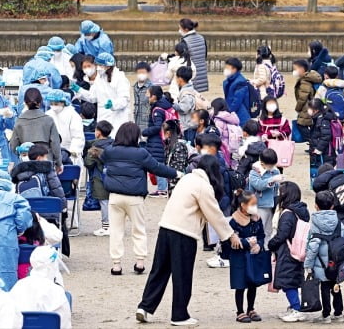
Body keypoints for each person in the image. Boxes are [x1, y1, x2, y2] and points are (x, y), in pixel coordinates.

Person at [136, 155, 241, 327]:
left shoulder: (187, 178)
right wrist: (230, 235)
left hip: (165, 227)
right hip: (184, 233)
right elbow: (214, 214)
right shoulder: (203, 186)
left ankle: (145, 307)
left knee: (159, 271)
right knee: (182, 275)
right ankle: (179, 315)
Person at [101, 122, 179, 275]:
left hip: (115, 196)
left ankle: (116, 264)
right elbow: (157, 167)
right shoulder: (141, 153)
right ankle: (140, 262)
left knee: (116, 231)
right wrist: (176, 173)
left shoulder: (109, 151)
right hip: (134, 197)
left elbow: (103, 159)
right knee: (138, 229)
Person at [10, 144, 69, 255]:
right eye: (45, 156)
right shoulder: (48, 170)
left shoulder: (18, 173)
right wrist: (64, 206)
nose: (47, 159)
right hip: (48, 212)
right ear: (39, 158)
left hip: (28, 213)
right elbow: (57, 190)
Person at [304, 190, 344, 323]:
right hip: (336, 261)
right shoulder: (337, 221)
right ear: (332, 206)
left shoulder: (315, 223)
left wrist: (308, 265)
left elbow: (313, 246)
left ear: (316, 206)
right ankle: (338, 313)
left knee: (324, 287)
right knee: (336, 286)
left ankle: (326, 315)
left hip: (321, 263)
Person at [267, 181, 310, 323]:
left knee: (287, 282)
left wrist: (271, 245)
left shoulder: (288, 214)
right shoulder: (302, 211)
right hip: (299, 249)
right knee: (294, 279)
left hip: (287, 251)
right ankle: (295, 306)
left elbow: (282, 235)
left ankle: (297, 309)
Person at [10, 246, 72, 329]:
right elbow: (64, 324)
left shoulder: (18, 286)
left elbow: (9, 319)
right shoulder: (56, 291)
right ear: (53, 264)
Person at [71, 52, 131, 137]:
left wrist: (113, 104)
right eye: (97, 65)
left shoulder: (120, 78)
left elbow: (124, 99)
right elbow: (92, 96)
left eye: (101, 65)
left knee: (116, 138)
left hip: (118, 117)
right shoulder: (99, 78)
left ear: (108, 66)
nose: (98, 68)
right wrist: (79, 90)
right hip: (103, 117)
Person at [228, 190, 265, 323]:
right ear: (243, 205)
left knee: (252, 283)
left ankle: (251, 308)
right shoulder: (234, 221)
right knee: (240, 284)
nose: (255, 207)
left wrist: (259, 245)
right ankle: (240, 311)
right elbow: (231, 241)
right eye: (252, 204)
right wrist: (246, 242)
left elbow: (261, 235)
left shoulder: (256, 218)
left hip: (253, 256)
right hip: (238, 257)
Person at [10, 88, 63, 173]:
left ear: (25, 102)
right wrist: (59, 163)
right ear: (40, 102)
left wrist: (23, 153)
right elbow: (55, 144)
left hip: (26, 163)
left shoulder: (19, 121)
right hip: (46, 161)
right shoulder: (48, 120)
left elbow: (13, 146)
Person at [143, 86, 174, 198]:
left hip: (157, 140)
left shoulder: (157, 110)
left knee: (158, 164)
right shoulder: (163, 105)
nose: (146, 96)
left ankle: (162, 189)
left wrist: (145, 132)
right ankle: (162, 188)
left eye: (148, 94)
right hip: (160, 139)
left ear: (154, 96)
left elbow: (157, 126)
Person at [84, 120, 114, 237]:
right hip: (113, 177)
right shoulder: (114, 144)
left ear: (98, 133)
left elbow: (89, 163)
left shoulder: (94, 147)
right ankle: (113, 225)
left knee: (104, 202)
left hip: (100, 178)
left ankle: (106, 226)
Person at [248, 148, 282, 247]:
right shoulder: (254, 172)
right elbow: (259, 185)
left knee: (269, 229)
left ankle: (267, 249)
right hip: (259, 205)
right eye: (270, 165)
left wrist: (279, 182)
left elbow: (276, 187)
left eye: (273, 165)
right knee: (259, 230)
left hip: (272, 204)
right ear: (262, 163)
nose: (272, 167)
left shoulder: (274, 171)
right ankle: (257, 249)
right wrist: (272, 180)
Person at [45, 89, 84, 164]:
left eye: (56, 104)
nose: (53, 106)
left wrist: (72, 152)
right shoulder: (48, 114)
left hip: (70, 152)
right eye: (51, 103)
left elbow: (77, 137)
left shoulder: (72, 115)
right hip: (52, 153)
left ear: (64, 102)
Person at [293, 59, 323, 141]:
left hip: (306, 107)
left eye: (295, 69)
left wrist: (297, 108)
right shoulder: (309, 77)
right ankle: (313, 143)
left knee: (301, 125)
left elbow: (303, 97)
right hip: (312, 105)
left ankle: (312, 142)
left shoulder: (305, 81)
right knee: (312, 125)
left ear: (302, 69)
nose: (294, 71)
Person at [179, 18, 208, 92]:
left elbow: (182, 60)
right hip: (201, 72)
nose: (179, 30)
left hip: (190, 73)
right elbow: (204, 55)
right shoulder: (201, 38)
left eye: (180, 28)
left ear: (185, 29)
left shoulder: (185, 41)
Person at [211, 98, 241, 167]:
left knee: (224, 164)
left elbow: (218, 134)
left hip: (223, 147)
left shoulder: (219, 120)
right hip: (232, 145)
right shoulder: (231, 117)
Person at [223, 58, 251, 127]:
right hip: (232, 113)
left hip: (240, 115)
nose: (225, 69)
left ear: (234, 69)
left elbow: (237, 102)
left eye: (227, 67)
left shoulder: (240, 82)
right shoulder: (228, 81)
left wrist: (228, 113)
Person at [309, 98, 337, 168]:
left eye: (310, 108)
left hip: (326, 151)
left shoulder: (323, 119)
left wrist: (319, 148)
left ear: (316, 110)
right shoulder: (318, 117)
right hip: (323, 150)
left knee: (325, 168)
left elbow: (326, 135)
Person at [163, 120, 190, 192]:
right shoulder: (170, 144)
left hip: (177, 183)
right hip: (171, 180)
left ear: (168, 133)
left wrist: (173, 182)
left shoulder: (179, 145)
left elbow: (179, 167)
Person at [133, 62, 153, 133]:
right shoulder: (135, 86)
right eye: (139, 72)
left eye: (143, 72)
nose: (141, 75)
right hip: (136, 120)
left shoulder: (152, 87)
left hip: (147, 121)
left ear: (148, 73)